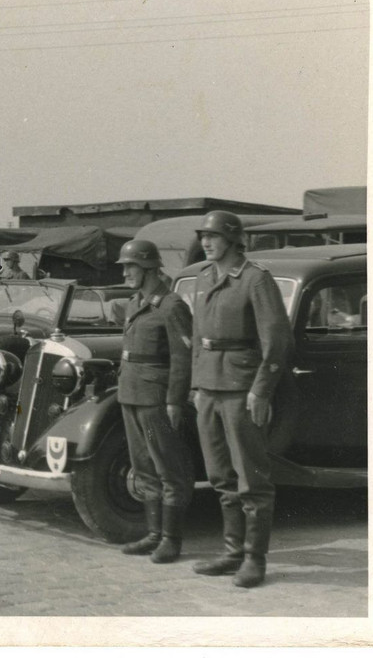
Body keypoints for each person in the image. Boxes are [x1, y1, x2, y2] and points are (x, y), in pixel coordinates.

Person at [190, 211, 292, 588]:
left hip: (241, 389)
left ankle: (254, 558)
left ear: (234, 240)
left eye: (214, 236)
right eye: (203, 236)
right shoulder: (204, 277)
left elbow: (277, 340)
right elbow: (198, 336)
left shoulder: (254, 279)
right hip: (210, 388)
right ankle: (232, 551)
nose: (206, 242)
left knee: (251, 478)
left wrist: (260, 391)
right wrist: (195, 386)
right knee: (219, 475)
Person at [115, 239, 194, 563]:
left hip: (156, 398)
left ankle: (171, 540)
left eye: (130, 267)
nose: (125, 274)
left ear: (149, 267)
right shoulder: (135, 303)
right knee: (144, 467)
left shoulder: (171, 305)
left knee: (168, 468)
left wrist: (175, 401)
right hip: (131, 394)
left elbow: (182, 357)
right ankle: (153, 534)